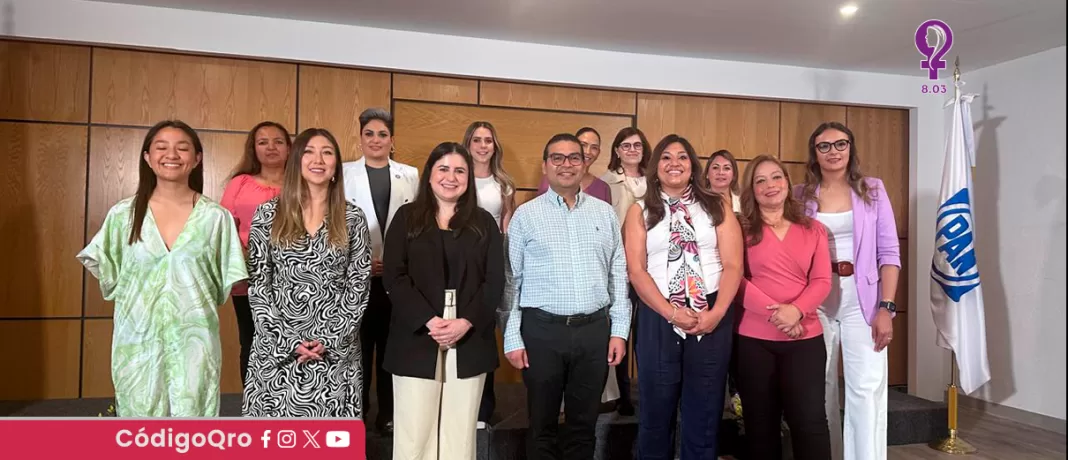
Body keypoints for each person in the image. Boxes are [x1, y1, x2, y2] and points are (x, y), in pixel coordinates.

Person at [77, 120, 247, 417]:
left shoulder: (216, 219)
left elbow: (223, 285)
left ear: (197, 158)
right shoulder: (122, 215)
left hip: (195, 345)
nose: (172, 155)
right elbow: (108, 273)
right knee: (139, 430)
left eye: (183, 148)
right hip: (137, 345)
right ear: (147, 157)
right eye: (161, 147)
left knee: (194, 427)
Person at [503, 133, 630, 460]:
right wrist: (512, 337)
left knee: (583, 425)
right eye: (557, 158)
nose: (566, 164)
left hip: (593, 333)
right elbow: (511, 281)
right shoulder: (526, 215)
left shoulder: (604, 214)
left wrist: (619, 331)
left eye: (574, 157)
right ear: (545, 166)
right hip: (542, 332)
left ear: (584, 163)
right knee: (542, 424)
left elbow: (618, 274)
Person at [383, 142, 505, 460]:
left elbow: (494, 281)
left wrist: (466, 321)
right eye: (443, 168)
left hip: (469, 330)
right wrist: (428, 319)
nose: (451, 177)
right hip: (416, 330)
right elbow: (394, 276)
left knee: (460, 432)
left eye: (460, 170)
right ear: (430, 174)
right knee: (413, 431)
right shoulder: (407, 217)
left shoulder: (484, 223)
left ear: (469, 178)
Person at [623, 134, 743, 459]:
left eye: (682, 157)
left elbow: (733, 265)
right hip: (658, 315)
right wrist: (670, 312)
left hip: (712, 312)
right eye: (665, 157)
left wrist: (716, 314)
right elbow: (636, 271)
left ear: (693, 167)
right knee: (655, 414)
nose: (674, 163)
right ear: (654, 167)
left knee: (704, 413)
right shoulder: (638, 211)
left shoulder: (717, 206)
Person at [242, 128, 372, 418]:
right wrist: (288, 341)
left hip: (335, 352)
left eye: (327, 152)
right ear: (297, 160)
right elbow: (259, 284)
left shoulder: (353, 218)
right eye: (310, 151)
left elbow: (358, 286)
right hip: (278, 351)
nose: (319, 159)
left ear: (336, 165)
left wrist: (329, 337)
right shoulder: (268, 214)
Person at [798, 122, 901, 460]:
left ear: (850, 148)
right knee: (820, 388)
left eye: (840, 144)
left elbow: (888, 252)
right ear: (814, 154)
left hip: (864, 300)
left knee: (866, 389)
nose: (833, 151)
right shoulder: (800, 195)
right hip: (816, 300)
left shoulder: (872, 190)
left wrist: (886, 307)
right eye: (824, 146)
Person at [734, 154, 832, 460]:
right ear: (751, 190)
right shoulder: (739, 228)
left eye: (776, 176)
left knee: (810, 421)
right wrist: (777, 314)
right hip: (753, 340)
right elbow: (733, 279)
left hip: (805, 337)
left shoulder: (813, 229)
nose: (769, 185)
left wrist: (796, 311)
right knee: (760, 424)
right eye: (760, 180)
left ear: (788, 183)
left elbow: (822, 281)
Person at [342, 107, 420, 432]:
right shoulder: (342, 174)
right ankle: (356, 413)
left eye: (382, 134)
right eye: (369, 134)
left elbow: (416, 227)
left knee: (391, 349)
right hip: (354, 279)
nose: (376, 140)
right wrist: (361, 260)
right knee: (357, 350)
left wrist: (397, 261)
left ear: (392, 139)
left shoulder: (411, 175)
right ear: (360, 138)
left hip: (396, 279)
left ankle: (388, 414)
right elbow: (336, 226)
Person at [220, 120, 290, 388]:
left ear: (289, 148)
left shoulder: (303, 183)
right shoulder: (240, 183)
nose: (271, 147)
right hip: (249, 279)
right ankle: (255, 404)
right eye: (263, 142)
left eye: (278, 141)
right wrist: (243, 263)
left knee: (291, 341)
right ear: (254, 149)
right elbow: (225, 229)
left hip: (294, 280)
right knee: (252, 341)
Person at [464, 120, 516, 428]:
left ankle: (485, 408)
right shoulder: (458, 177)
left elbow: (508, 228)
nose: (483, 146)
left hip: (494, 261)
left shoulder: (504, 182)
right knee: (467, 332)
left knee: (488, 334)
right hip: (463, 262)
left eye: (488, 140)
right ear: (468, 144)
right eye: (477, 140)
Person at [536, 127, 612, 204]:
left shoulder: (603, 188)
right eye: (583, 145)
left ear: (598, 153)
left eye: (594, 148)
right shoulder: (551, 179)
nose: (588, 151)